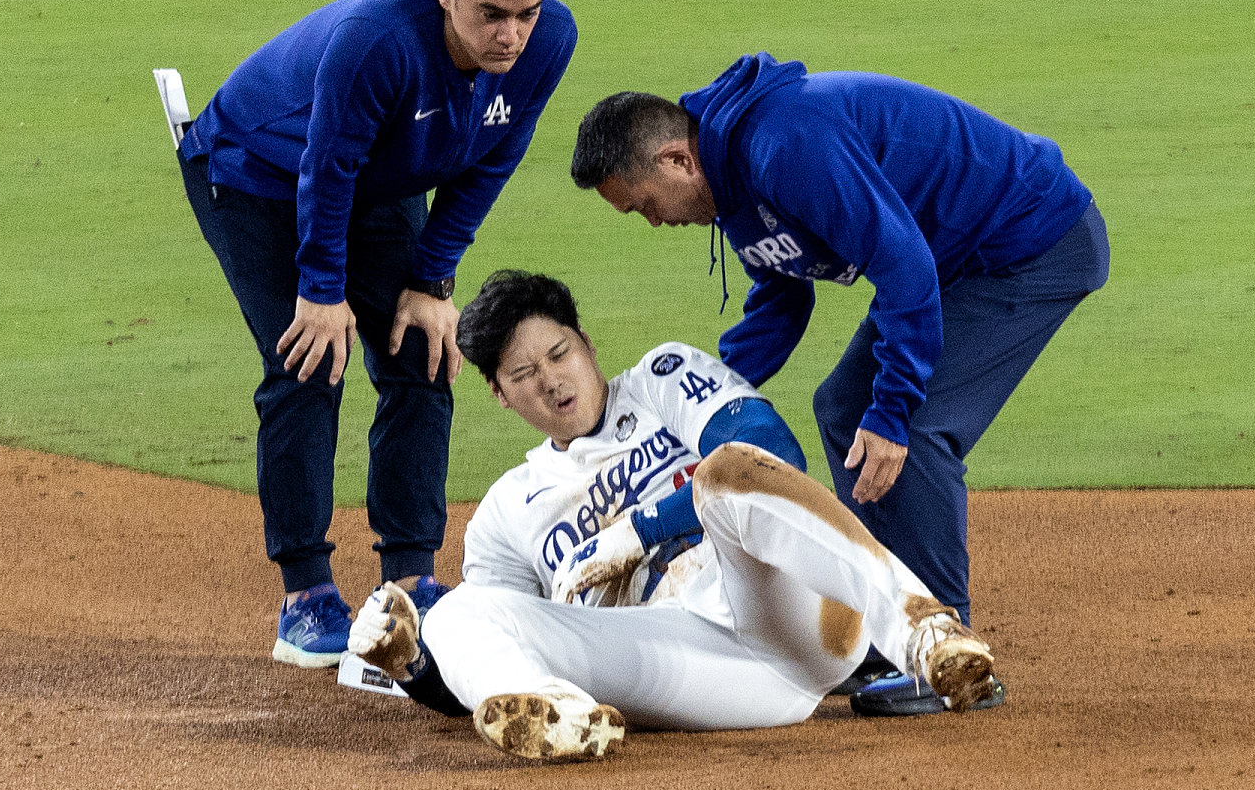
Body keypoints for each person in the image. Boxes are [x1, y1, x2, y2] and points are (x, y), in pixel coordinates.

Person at [568, 53, 1110, 710]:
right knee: (842, 404)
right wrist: (707, 403)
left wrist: (891, 412)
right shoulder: (733, 184)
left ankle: (944, 649)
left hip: (1028, 241)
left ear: (678, 161)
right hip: (949, 260)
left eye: (645, 206)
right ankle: (886, 627)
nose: (654, 222)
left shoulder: (784, 145)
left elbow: (904, 265)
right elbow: (780, 298)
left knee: (910, 423)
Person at [346, 271, 1000, 762]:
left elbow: (772, 457)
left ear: (587, 343)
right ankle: (561, 715)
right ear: (498, 391)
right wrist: (415, 666)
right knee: (458, 612)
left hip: (791, 615)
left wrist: (643, 527)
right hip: (685, 666)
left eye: (558, 353)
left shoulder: (663, 378)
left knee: (723, 471)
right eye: (521, 372)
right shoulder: (503, 513)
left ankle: (923, 630)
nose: (550, 379)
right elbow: (495, 643)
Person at [174, 0, 577, 668]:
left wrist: (432, 278)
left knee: (425, 352)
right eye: (491, 13)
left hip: (378, 179)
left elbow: (493, 157)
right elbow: (325, 167)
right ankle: (306, 598)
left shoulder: (549, 41)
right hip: (255, 172)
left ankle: (412, 581)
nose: (510, 36)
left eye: (525, 12)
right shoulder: (379, 45)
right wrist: (321, 291)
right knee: (308, 362)